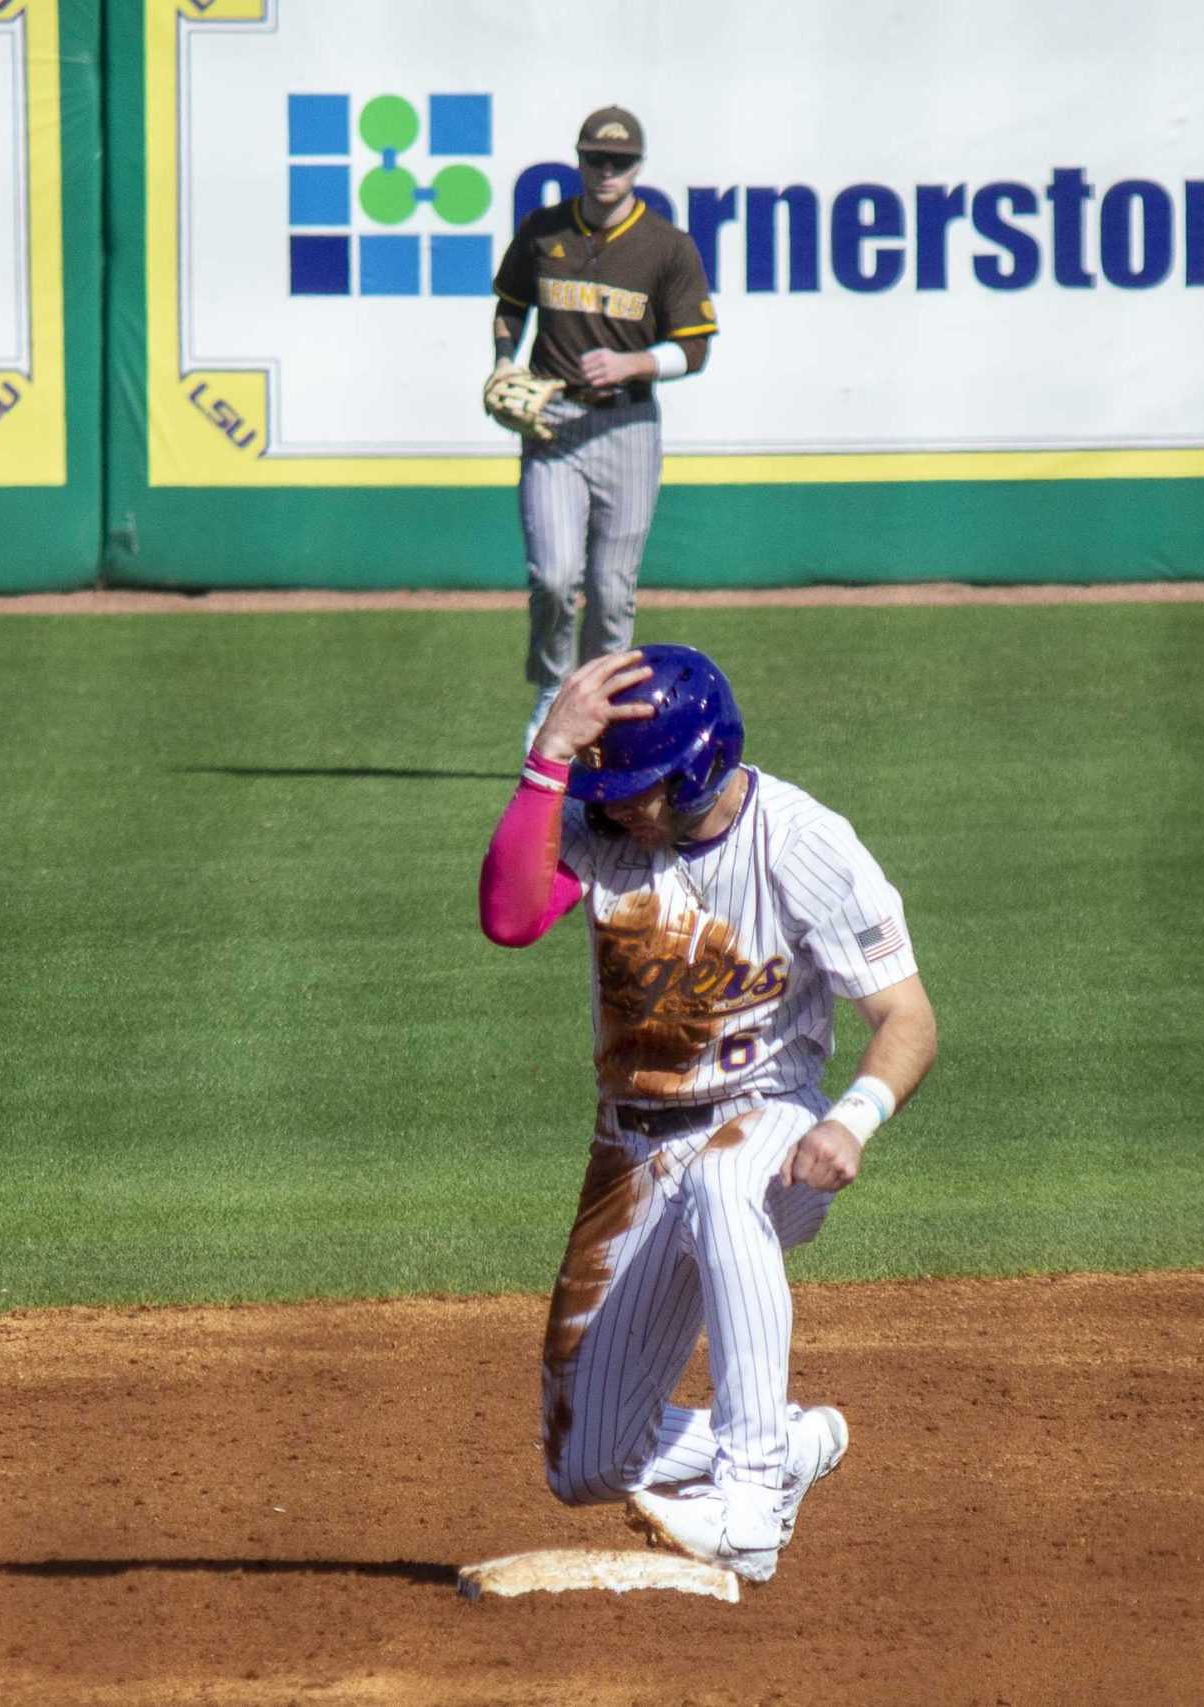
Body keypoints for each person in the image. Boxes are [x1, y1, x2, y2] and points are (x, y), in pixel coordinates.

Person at [476, 644, 938, 1583]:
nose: (612, 803)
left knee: (727, 1180)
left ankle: (752, 1507)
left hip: (770, 1121)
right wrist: (548, 755)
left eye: (635, 786)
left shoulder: (804, 842)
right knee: (586, 1464)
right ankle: (786, 1443)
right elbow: (509, 916)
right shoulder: (604, 826)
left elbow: (908, 1019)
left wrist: (852, 1119)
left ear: (696, 769)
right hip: (631, 1154)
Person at [489, 106, 717, 756]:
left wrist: (634, 361)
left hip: (627, 422)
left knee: (612, 591)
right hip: (555, 421)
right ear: (580, 160)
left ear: (638, 167)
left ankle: (603, 718)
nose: (606, 170)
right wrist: (505, 360)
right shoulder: (544, 230)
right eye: (595, 158)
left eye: (619, 161)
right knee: (556, 578)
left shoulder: (667, 246)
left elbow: (695, 348)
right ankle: (554, 690)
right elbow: (510, 304)